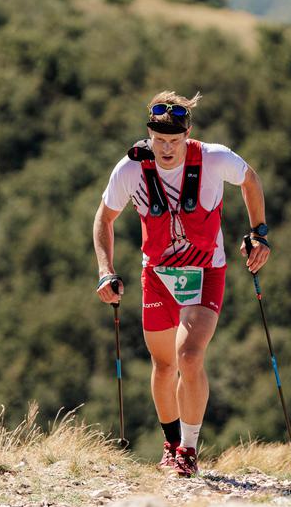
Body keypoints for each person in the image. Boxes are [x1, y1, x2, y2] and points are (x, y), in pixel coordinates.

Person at [93, 91, 271, 477]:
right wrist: (105, 270)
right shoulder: (129, 170)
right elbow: (103, 220)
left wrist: (259, 232)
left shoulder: (213, 158)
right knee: (163, 365)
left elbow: (250, 179)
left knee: (189, 357)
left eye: (174, 141)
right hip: (157, 276)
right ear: (149, 134)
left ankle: (189, 449)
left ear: (188, 135)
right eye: (159, 141)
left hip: (206, 271)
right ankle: (170, 443)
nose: (167, 149)